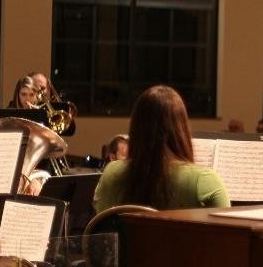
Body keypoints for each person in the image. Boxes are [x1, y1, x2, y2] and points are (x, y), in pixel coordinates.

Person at [93, 85, 230, 212]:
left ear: (136, 129)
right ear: (181, 129)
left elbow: (101, 224)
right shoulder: (205, 181)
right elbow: (227, 236)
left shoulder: (110, 173)